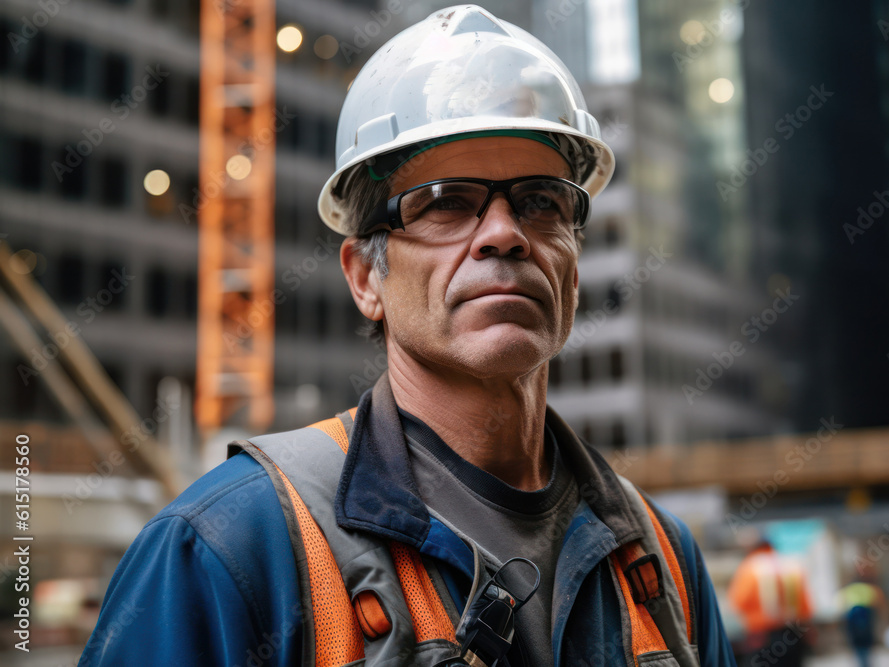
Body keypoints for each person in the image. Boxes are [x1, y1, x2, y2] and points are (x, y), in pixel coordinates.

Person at [79, 6, 737, 666]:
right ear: (365, 275)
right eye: (447, 201)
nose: (504, 233)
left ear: (573, 257)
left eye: (541, 200)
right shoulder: (228, 549)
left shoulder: (660, 560)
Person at [727, 536, 813, 667]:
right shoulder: (791, 566)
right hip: (793, 634)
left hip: (763, 637)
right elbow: (805, 605)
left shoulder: (750, 567)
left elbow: (738, 602)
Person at [837, 577, 886, 667]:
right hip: (866, 615)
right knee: (866, 643)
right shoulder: (868, 588)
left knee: (856, 643)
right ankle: (866, 662)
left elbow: (840, 607)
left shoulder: (847, 590)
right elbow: (877, 602)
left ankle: (862, 662)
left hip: (852, 616)